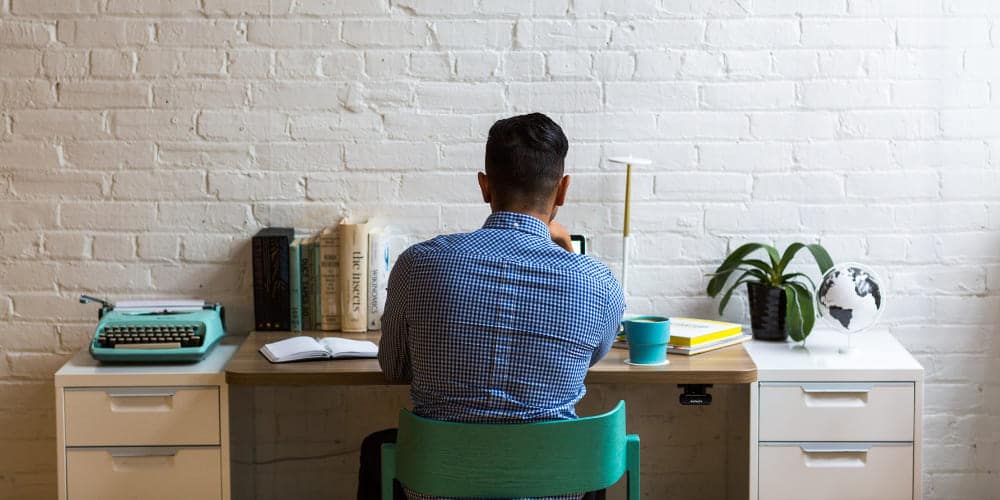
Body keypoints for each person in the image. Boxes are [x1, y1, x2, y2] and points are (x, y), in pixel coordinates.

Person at [358, 113, 626, 500]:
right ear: (563, 191)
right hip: (553, 485)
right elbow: (587, 361)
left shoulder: (419, 264)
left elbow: (395, 367)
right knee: (587, 455)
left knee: (378, 447)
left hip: (438, 484)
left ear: (484, 186)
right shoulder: (598, 284)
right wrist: (568, 255)